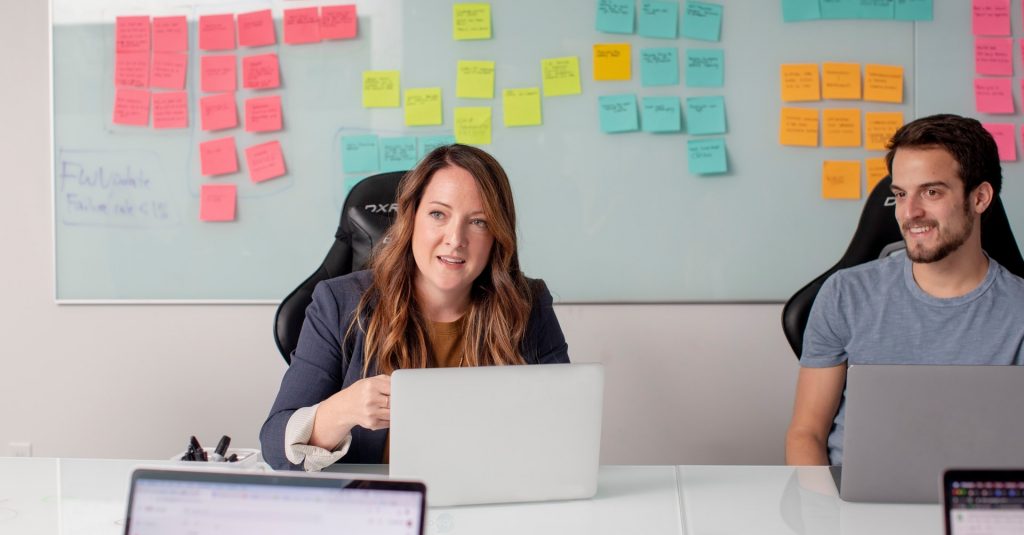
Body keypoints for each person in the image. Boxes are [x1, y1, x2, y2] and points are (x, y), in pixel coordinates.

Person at [261, 144, 570, 471]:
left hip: (487, 501)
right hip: (378, 505)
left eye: (478, 221)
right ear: (411, 218)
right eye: (438, 214)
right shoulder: (339, 303)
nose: (455, 238)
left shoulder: (527, 303)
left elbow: (567, 428)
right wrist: (343, 410)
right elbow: (275, 448)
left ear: (497, 234)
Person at [785, 114, 1024, 466]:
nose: (909, 213)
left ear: (980, 198)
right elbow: (807, 434)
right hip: (853, 507)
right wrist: (824, 514)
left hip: (978, 506)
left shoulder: (1018, 310)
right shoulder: (844, 295)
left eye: (931, 191)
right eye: (900, 194)